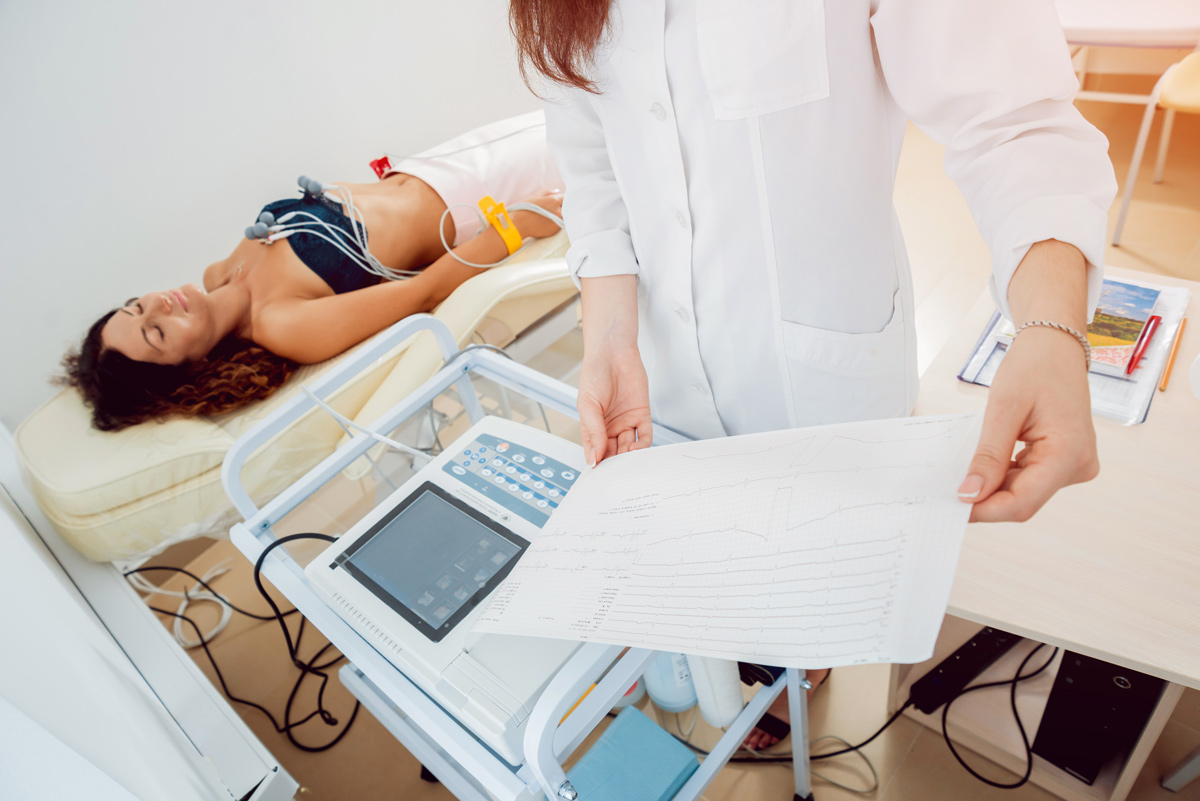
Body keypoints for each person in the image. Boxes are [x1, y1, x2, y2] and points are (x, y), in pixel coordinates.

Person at [509, 0, 1117, 749]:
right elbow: (588, 144)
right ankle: (738, 642)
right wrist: (607, 334)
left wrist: (1051, 328)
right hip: (655, 358)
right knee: (707, 551)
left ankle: (799, 661)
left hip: (822, 373)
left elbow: (1012, 120)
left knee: (816, 578)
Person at [64, 112, 564, 431]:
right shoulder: (283, 325)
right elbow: (423, 294)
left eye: (137, 306)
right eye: (156, 332)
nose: (157, 306)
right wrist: (514, 224)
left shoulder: (220, 272)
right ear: (189, 368)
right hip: (480, 198)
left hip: (434, 167)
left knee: (579, 105)